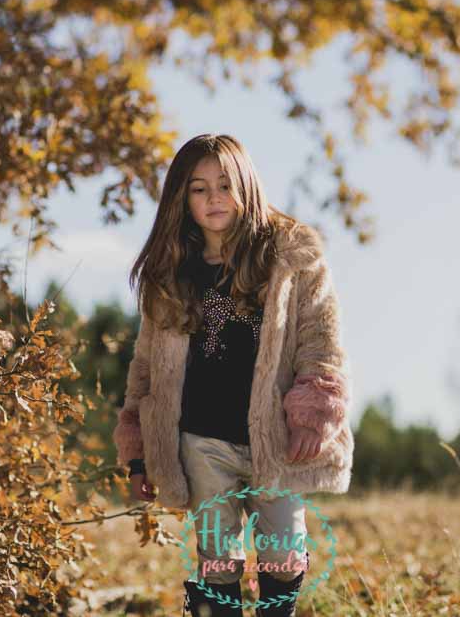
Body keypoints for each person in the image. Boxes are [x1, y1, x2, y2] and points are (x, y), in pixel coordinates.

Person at [111, 134, 354, 617]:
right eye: (199, 189)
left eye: (225, 185)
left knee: (283, 554)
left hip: (276, 438)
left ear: (246, 185)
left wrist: (313, 413)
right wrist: (138, 451)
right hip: (200, 440)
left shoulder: (290, 260)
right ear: (182, 200)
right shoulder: (171, 274)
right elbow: (145, 367)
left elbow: (320, 341)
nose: (214, 198)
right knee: (217, 560)